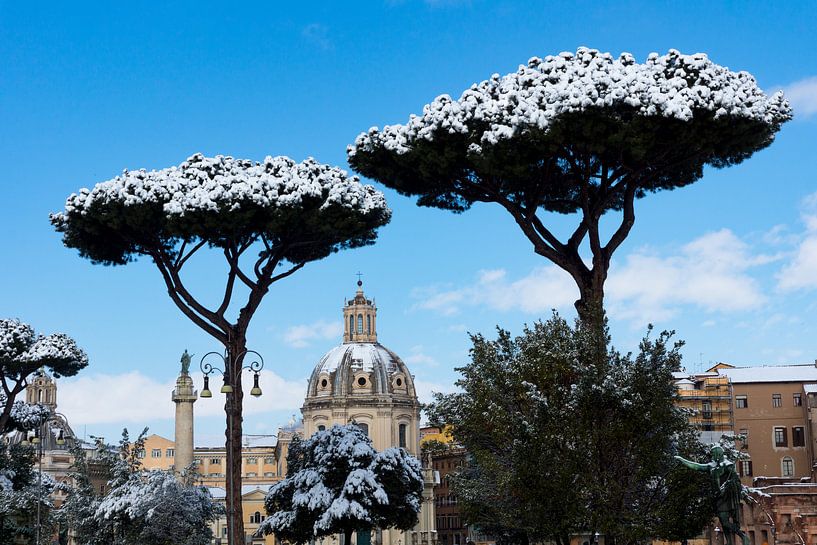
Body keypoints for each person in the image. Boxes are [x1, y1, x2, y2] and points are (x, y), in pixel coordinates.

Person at [675, 445, 748, 545]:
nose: (712, 456)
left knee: (725, 521)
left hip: (726, 497)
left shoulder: (728, 465)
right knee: (723, 522)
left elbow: (736, 481)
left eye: (713, 454)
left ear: (718, 454)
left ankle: (742, 536)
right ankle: (730, 542)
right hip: (718, 497)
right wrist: (682, 460)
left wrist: (728, 485)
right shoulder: (711, 466)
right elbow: (697, 466)